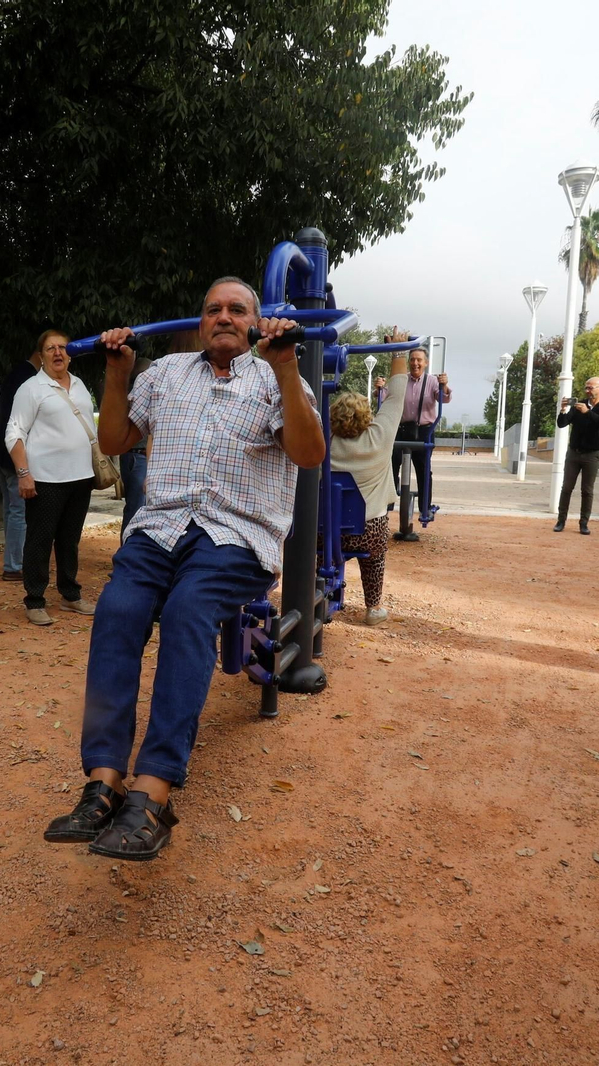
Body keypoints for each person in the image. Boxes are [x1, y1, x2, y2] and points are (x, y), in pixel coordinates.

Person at [43, 277, 324, 862]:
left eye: (237, 309)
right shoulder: (164, 374)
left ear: (255, 321)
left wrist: (287, 368)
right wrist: (118, 373)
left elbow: (308, 453)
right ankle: (103, 781)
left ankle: (155, 790)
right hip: (161, 528)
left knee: (188, 610)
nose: (223, 316)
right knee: (117, 611)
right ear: (200, 321)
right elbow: (117, 438)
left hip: (236, 536)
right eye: (213, 308)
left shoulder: (276, 375)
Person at [5, 330, 98, 626]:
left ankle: (70, 594)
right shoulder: (31, 388)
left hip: (81, 477)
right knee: (39, 541)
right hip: (45, 479)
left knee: (70, 541)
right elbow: (14, 432)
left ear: (70, 353)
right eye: (50, 348)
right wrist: (24, 473)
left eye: (62, 348)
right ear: (41, 355)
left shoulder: (80, 384)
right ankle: (34, 600)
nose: (58, 353)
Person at [331, 335, 409, 625]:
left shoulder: (323, 442)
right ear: (367, 416)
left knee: (313, 547)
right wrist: (398, 350)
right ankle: (373, 607)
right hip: (367, 530)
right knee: (374, 553)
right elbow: (397, 395)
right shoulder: (379, 436)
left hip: (325, 532)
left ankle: (314, 590)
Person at [0, 338, 45, 582]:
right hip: (12, 453)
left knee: (12, 510)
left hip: (0, 450)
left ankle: (12, 561)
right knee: (18, 511)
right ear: (40, 354)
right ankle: (14, 565)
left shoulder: (16, 373)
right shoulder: (30, 379)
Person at [376, 348, 449, 518]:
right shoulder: (401, 380)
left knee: (424, 468)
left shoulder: (431, 381)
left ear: (426, 363)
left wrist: (444, 385)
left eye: (419, 360)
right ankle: (387, 505)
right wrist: (379, 388)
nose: (415, 363)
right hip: (400, 429)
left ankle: (425, 508)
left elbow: (443, 398)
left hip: (424, 430)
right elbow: (385, 395)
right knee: (391, 463)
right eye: (412, 360)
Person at [553, 376, 599, 534]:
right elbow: (562, 423)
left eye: (591, 388)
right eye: (586, 388)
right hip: (574, 453)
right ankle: (561, 521)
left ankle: (583, 523)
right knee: (566, 488)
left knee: (587, 491)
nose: (587, 391)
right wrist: (563, 409)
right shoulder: (579, 404)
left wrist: (587, 413)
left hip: (592, 455)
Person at [117, 356, 153, 532]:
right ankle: (128, 552)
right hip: (136, 456)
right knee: (136, 509)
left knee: (143, 508)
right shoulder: (134, 399)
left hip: (141, 457)